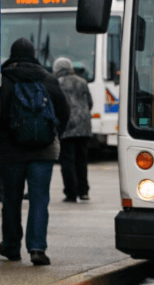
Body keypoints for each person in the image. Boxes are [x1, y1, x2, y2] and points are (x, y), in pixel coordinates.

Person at [0, 38, 70, 266]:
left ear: (12, 54)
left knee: (12, 200)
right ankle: (37, 248)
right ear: (33, 54)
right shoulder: (48, 79)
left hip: (11, 151)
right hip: (43, 151)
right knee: (39, 200)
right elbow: (64, 111)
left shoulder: (2, 79)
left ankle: (11, 246)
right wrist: (53, 132)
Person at [53, 57, 93, 202]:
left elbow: (56, 105)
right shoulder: (82, 82)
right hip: (84, 127)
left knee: (67, 161)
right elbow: (89, 102)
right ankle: (83, 191)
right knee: (81, 160)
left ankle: (71, 192)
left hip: (67, 127)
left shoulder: (57, 83)